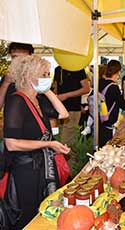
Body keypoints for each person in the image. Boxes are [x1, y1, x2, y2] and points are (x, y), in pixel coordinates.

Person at [3, 55, 70, 229]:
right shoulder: (17, 101)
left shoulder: (38, 100)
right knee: (29, 214)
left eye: (48, 74)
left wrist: (47, 90)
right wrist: (49, 144)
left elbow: (63, 114)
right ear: (29, 76)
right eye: (44, 74)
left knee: (44, 208)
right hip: (25, 170)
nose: (48, 78)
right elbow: (11, 143)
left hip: (41, 167)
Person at [98, 60, 125, 147]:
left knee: (99, 149)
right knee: (106, 149)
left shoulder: (99, 83)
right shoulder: (114, 87)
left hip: (97, 122)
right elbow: (124, 105)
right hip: (107, 124)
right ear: (118, 72)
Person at [0, 42, 34, 110]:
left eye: (23, 58)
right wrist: (6, 83)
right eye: (14, 57)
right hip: (11, 119)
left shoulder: (38, 77)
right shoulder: (7, 78)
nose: (18, 61)